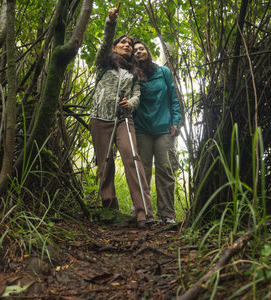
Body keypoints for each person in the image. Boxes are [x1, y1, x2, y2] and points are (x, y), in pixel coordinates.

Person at [89, 3, 154, 229]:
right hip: (99, 118)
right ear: (115, 48)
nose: (127, 45)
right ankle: (110, 211)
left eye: (130, 43)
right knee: (104, 165)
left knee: (132, 159)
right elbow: (106, 41)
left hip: (124, 120)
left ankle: (143, 213)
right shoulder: (103, 63)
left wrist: (131, 103)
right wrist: (111, 23)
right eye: (123, 42)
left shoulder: (134, 73)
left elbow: (137, 96)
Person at [132, 41, 182, 224]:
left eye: (141, 48)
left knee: (165, 169)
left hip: (164, 130)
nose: (138, 52)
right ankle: (142, 212)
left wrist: (176, 120)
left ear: (148, 51)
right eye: (135, 50)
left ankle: (167, 214)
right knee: (142, 172)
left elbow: (174, 97)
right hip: (141, 129)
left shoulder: (163, 72)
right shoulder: (132, 75)